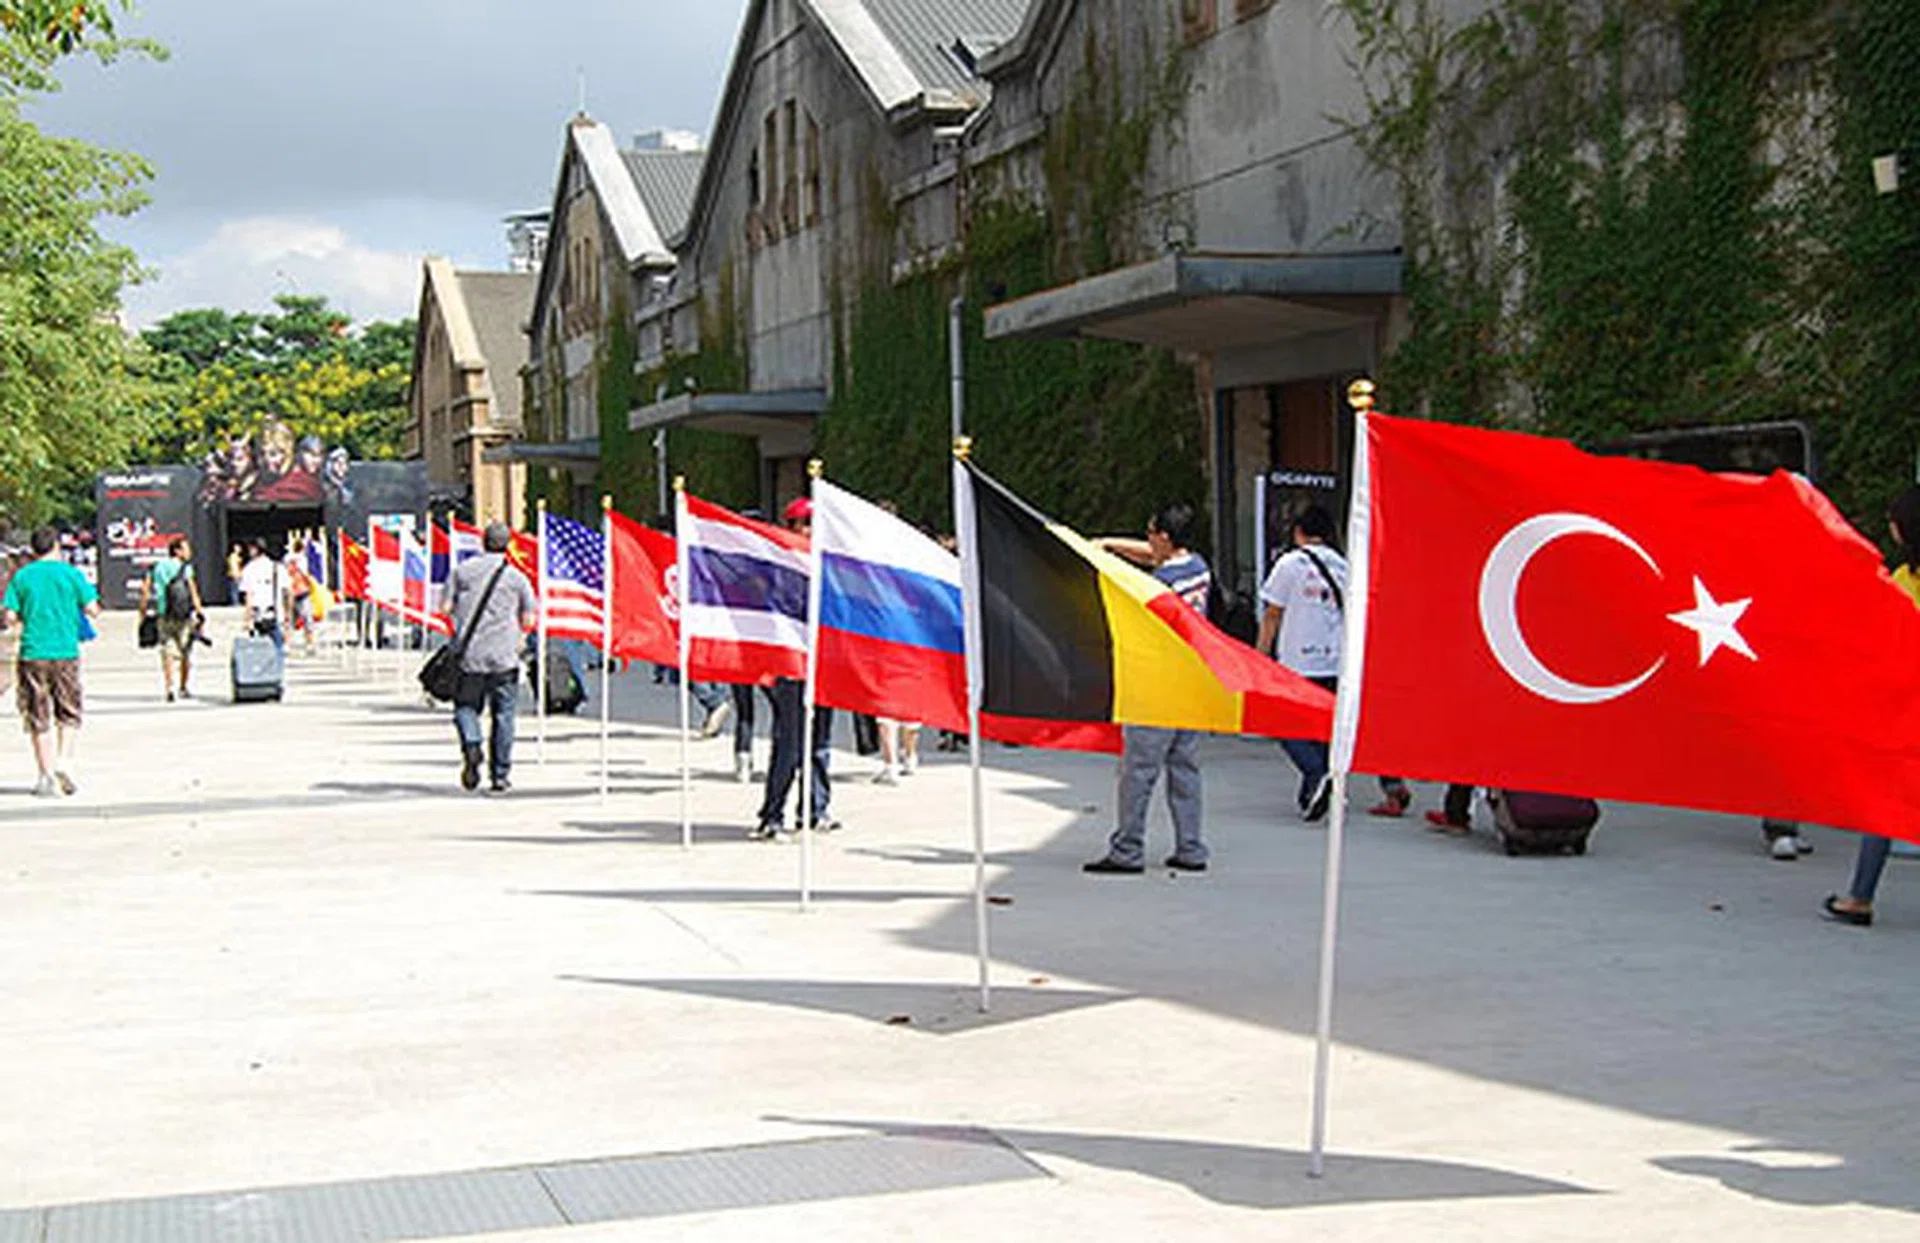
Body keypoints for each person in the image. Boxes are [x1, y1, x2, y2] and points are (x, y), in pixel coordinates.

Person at [1079, 504, 1213, 873]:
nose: (1147, 540)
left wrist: (1100, 558)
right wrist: (1109, 543)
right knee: (1185, 770)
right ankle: (1191, 848)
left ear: (1164, 537)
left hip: (1157, 688)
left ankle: (1128, 849)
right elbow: (1151, 554)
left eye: (1151, 533)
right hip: (1191, 684)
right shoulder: (1198, 568)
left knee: (1138, 773)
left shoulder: (1158, 586)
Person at [1255, 505, 1412, 823]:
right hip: (1335, 660)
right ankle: (1316, 790)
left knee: (1284, 724)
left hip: (1298, 659)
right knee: (1324, 726)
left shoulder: (1290, 564)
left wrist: (1260, 655)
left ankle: (1316, 774)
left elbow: (1272, 614)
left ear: (1298, 532)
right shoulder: (1343, 566)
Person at [1823, 485, 1920, 926]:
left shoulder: (1901, 584)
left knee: (1885, 801)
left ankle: (1861, 896)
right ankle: (1859, 895)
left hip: (1906, 709)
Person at [752, 496, 836, 838]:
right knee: (789, 743)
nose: (808, 531)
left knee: (820, 743)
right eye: (802, 524)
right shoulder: (781, 567)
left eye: (813, 524)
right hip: (790, 667)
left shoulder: (828, 566)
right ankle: (772, 815)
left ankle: (815, 809)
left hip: (823, 666)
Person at [2, 527, 101, 796]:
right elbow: (92, 609)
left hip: (33, 651)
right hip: (65, 650)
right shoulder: (71, 574)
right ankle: (64, 761)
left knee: (38, 712)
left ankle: (45, 775)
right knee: (68, 710)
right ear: (56, 546)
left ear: (34, 549)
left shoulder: (22, 576)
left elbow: (9, 616)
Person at [449, 522, 538, 793]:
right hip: (504, 657)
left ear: (483, 542)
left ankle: (472, 743)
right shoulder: (517, 578)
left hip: (470, 655)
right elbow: (529, 619)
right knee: (504, 715)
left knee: (466, 707)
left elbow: (443, 606)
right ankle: (500, 775)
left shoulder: (462, 572)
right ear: (507, 546)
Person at [138, 537, 203, 702]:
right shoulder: (185, 568)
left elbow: (145, 590)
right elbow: (193, 591)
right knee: (185, 651)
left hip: (164, 613)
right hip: (183, 615)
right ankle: (183, 687)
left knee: (167, 651)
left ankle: (169, 687)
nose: (189, 552)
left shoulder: (156, 567)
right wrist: (199, 612)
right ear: (177, 551)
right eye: (186, 549)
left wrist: (143, 612)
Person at [238, 541, 289, 653]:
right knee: (278, 650)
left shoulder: (249, 569)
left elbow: (249, 596)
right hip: (276, 613)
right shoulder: (277, 567)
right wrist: (287, 615)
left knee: (259, 652)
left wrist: (247, 619)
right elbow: (287, 592)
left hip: (258, 616)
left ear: (256, 550)